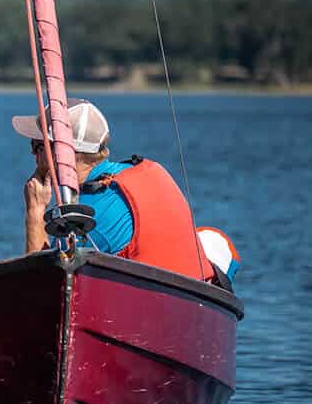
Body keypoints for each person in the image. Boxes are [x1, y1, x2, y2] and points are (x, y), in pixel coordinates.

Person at [15, 99, 212, 280]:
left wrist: (35, 210)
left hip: (152, 308)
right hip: (192, 299)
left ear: (65, 154)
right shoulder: (141, 172)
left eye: (38, 145)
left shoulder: (91, 217)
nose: (32, 153)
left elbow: (42, 283)